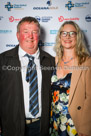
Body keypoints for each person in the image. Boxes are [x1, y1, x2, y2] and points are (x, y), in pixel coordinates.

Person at [0, 16, 55, 136]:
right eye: (25, 32)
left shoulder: (50, 61)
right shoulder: (3, 60)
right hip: (12, 126)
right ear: (18, 35)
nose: (30, 36)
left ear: (39, 36)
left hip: (42, 127)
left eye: (34, 32)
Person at [49, 21, 91, 136]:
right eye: (64, 33)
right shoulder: (54, 61)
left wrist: (85, 128)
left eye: (72, 33)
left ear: (78, 37)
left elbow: (90, 98)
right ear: (59, 37)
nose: (68, 36)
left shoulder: (86, 62)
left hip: (75, 122)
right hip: (54, 121)